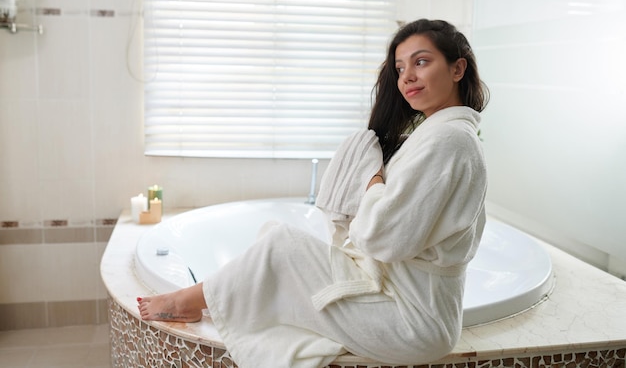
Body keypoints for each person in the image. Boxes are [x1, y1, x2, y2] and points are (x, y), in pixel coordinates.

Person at [137, 19, 489, 367]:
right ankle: (211, 298)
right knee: (275, 239)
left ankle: (192, 302)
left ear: (457, 69)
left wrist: (371, 178)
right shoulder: (441, 136)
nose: (407, 76)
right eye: (400, 68)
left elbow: (383, 237)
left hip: (413, 321)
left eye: (421, 62)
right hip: (408, 303)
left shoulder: (449, 140)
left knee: (282, 248)